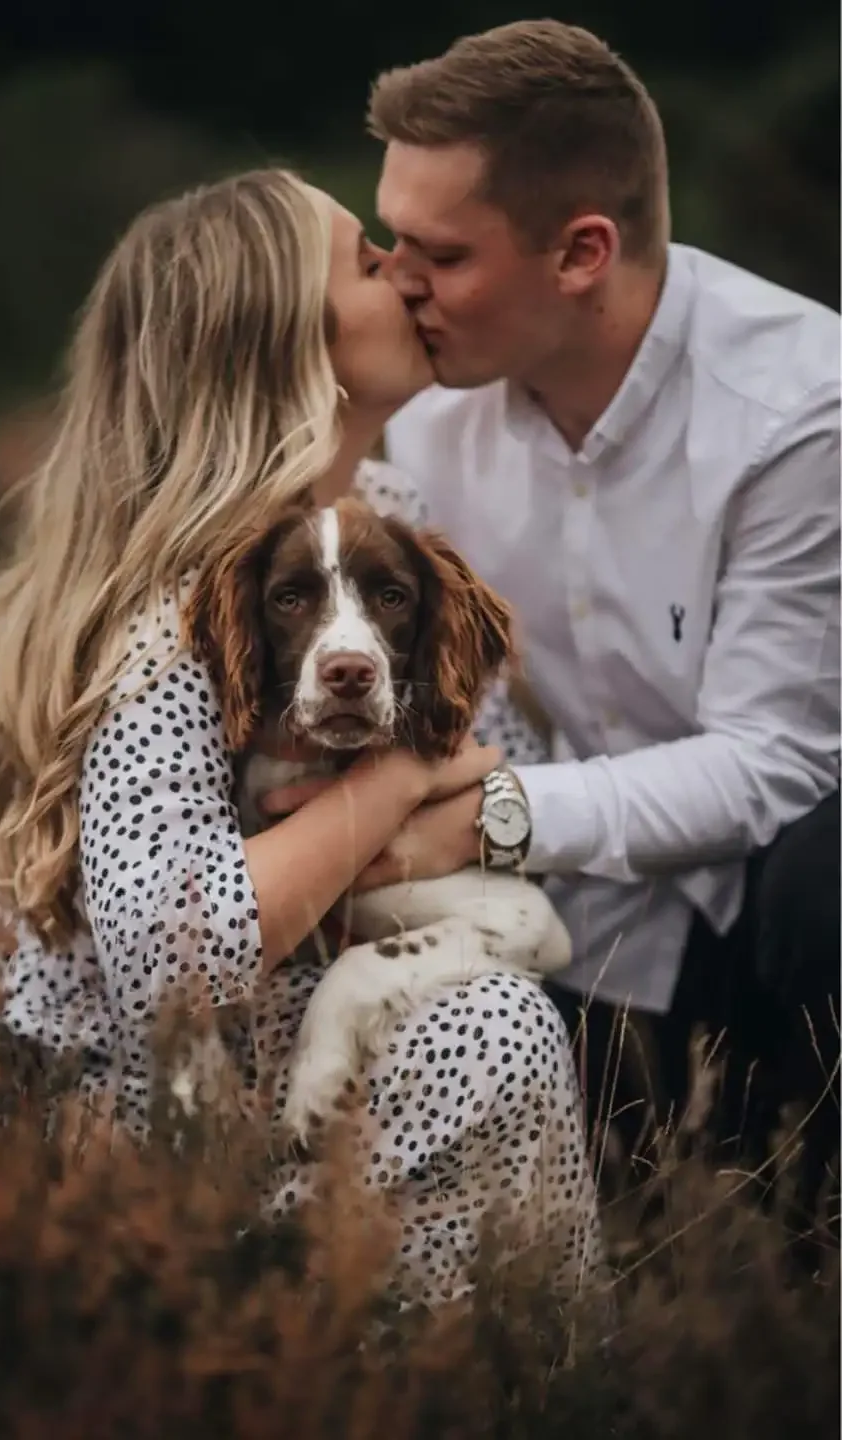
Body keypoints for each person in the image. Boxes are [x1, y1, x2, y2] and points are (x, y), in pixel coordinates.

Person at [0, 168, 603, 1307]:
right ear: (286, 343)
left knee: (498, 1001)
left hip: (288, 1057)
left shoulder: (392, 514)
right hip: (127, 1126)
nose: (401, 269)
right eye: (361, 259)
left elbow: (503, 795)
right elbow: (182, 960)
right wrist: (397, 785)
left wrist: (423, 809)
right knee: (491, 1023)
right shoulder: (171, 609)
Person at [360, 19, 840, 1189]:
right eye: (387, 242)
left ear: (580, 253)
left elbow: (773, 764)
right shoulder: (426, 421)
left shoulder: (795, 411)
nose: (397, 283)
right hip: (599, 904)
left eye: (442, 254)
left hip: (797, 898)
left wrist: (487, 820)